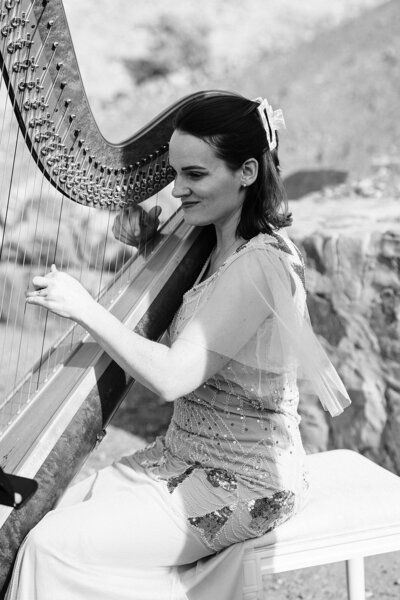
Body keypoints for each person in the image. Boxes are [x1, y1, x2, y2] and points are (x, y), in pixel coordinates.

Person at [7, 92, 350, 600]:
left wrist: (84, 307)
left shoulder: (261, 263)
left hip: (244, 482)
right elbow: (202, 312)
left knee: (49, 547)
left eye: (194, 175)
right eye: (173, 173)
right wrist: (149, 246)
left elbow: (172, 377)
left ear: (248, 172)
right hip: (181, 456)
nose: (176, 190)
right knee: (43, 518)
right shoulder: (215, 241)